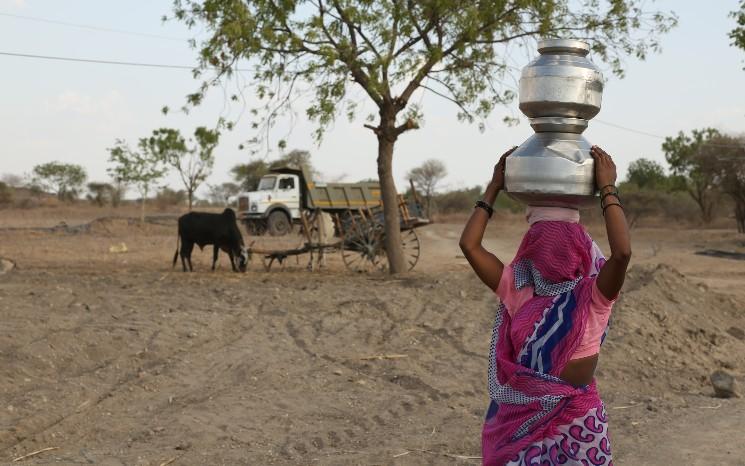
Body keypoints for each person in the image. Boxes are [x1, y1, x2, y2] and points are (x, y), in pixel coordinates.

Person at [459, 146, 631, 465]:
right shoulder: (521, 289)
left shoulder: (591, 295)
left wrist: (608, 188)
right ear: (530, 249)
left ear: (580, 248)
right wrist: (494, 184)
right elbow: (468, 246)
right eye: (545, 241)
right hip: (523, 422)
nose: (554, 250)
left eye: (562, 241)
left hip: (577, 421)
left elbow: (622, 255)